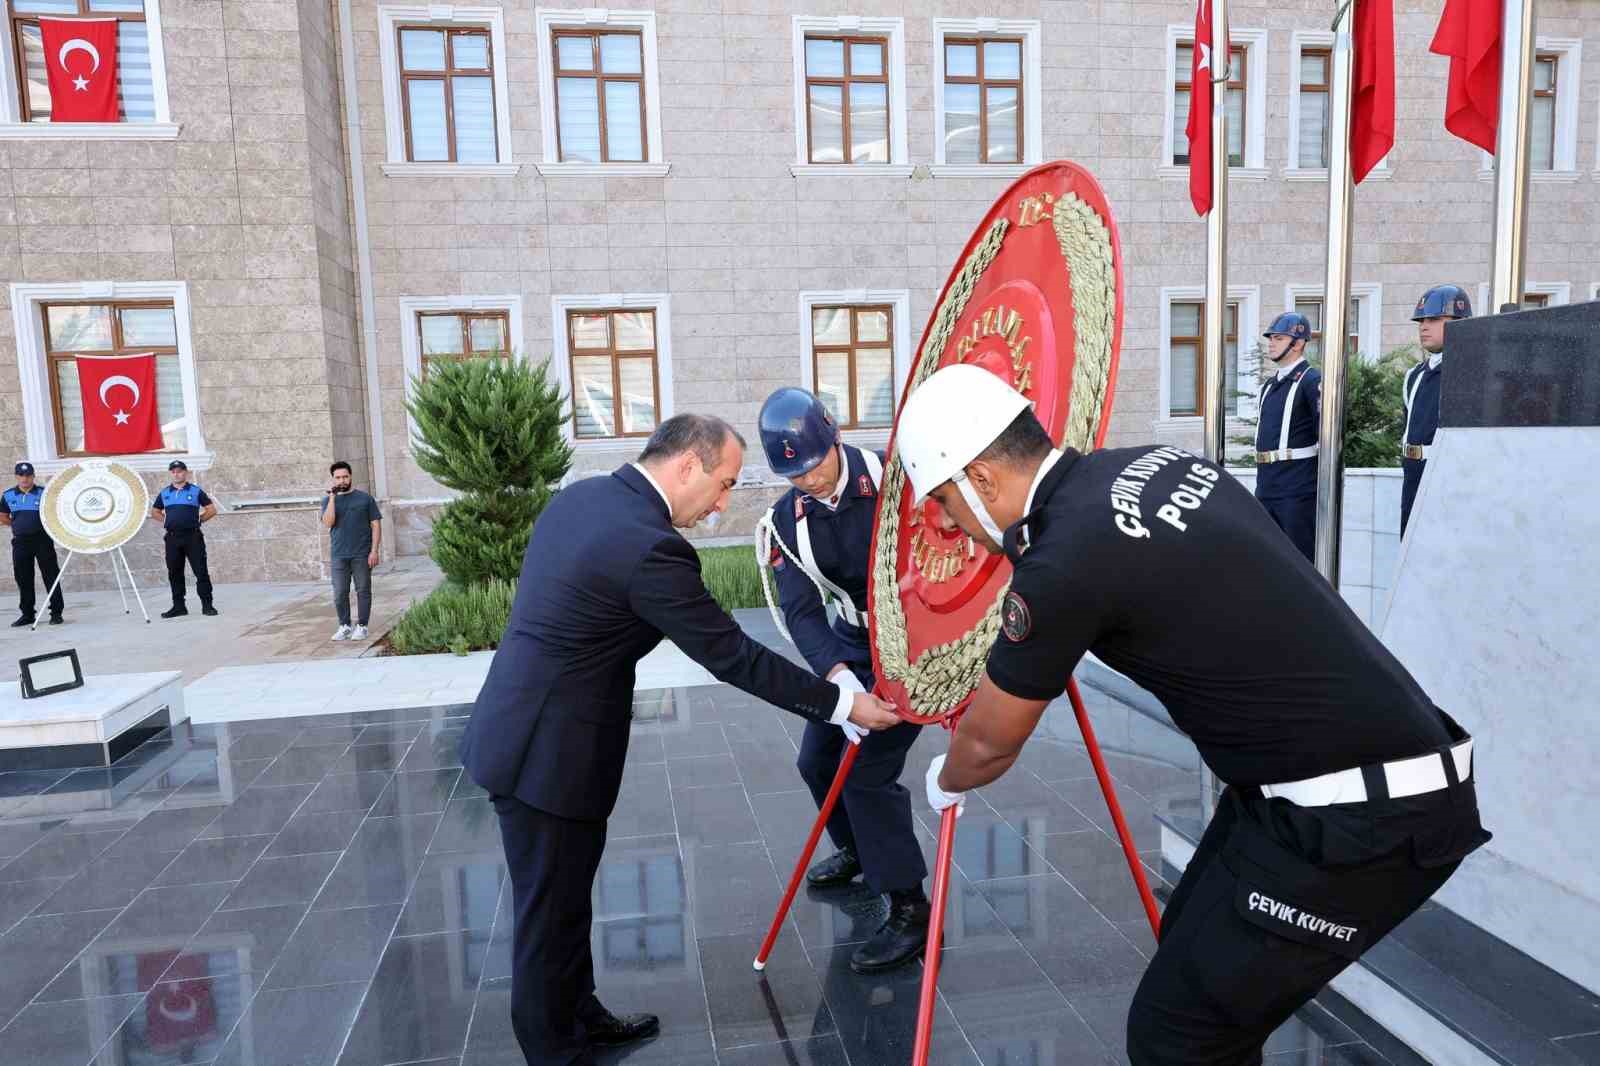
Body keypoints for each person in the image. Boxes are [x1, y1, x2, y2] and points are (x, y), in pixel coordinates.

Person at [895, 365, 1489, 1066]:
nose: (945, 524)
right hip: (1311, 785)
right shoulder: (1157, 463)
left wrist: (948, 777)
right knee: (1192, 965)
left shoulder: (1063, 563)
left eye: (943, 501)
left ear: (982, 479)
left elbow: (990, 745)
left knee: (1179, 1036)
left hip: (1358, 816)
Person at [459, 413, 901, 1066]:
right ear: (687, 466)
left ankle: (582, 1015)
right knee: (544, 921)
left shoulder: (584, 497)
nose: (723, 505)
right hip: (544, 758)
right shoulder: (648, 547)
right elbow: (734, 657)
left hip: (537, 736)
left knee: (566, 900)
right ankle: (556, 1052)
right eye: (722, 485)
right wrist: (845, 704)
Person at [755, 387, 929, 974]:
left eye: (814, 464)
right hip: (851, 645)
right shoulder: (786, 520)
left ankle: (909, 906)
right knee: (816, 762)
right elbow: (802, 611)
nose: (807, 480)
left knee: (869, 777)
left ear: (835, 438)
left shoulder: (897, 479)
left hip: (918, 640)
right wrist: (839, 680)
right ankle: (858, 850)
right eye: (793, 473)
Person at [1402, 284, 1471, 534]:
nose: (1423, 326)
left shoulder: (1467, 372)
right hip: (1413, 474)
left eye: (1434, 319)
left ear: (1459, 322)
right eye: (1421, 320)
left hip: (1447, 478)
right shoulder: (1414, 375)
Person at [1252, 312, 1321, 562]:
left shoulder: (1311, 380)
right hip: (1267, 484)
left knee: (1299, 560)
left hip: (1297, 489)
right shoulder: (1270, 385)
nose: (1271, 342)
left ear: (1298, 343)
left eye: (1279, 338)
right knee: (1270, 561)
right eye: (1270, 338)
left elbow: (1323, 436)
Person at [321, 461, 382, 641]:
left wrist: (374, 551)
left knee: (363, 590)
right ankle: (345, 625)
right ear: (333, 479)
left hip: (362, 554)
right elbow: (328, 523)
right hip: (339, 555)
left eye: (345, 476)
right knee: (340, 591)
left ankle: (362, 626)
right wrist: (332, 498)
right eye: (338, 477)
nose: (342, 480)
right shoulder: (327, 500)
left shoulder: (365, 499)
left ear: (351, 476)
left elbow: (376, 525)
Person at [148, 459, 217, 618]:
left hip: (192, 537)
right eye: (173, 471)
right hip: (172, 538)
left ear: (185, 472)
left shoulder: (195, 491)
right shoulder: (165, 493)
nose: (176, 473)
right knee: (174, 572)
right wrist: (166, 520)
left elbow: (212, 509)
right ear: (171, 473)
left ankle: (207, 605)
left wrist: (199, 520)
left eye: (179, 471)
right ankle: (179, 607)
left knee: (201, 571)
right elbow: (155, 512)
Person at [1, 461, 64, 627]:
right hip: (21, 542)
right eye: (21, 475)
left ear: (33, 476)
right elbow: (3, 516)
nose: (25, 478)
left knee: (50, 575)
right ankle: (27, 614)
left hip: (42, 540)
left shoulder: (44, 493)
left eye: (28, 475)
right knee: (23, 578)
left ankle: (56, 613)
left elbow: (54, 513)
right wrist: (16, 525)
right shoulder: (8, 495)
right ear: (16, 476)